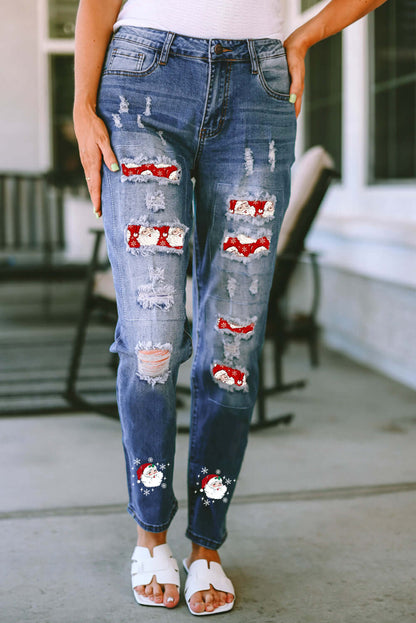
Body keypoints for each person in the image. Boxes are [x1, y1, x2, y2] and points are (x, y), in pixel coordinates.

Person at [73, 0, 388, 615]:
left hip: (258, 88)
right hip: (142, 81)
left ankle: (208, 547)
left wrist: (303, 38)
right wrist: (83, 106)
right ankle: (151, 537)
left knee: (233, 345)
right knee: (152, 338)